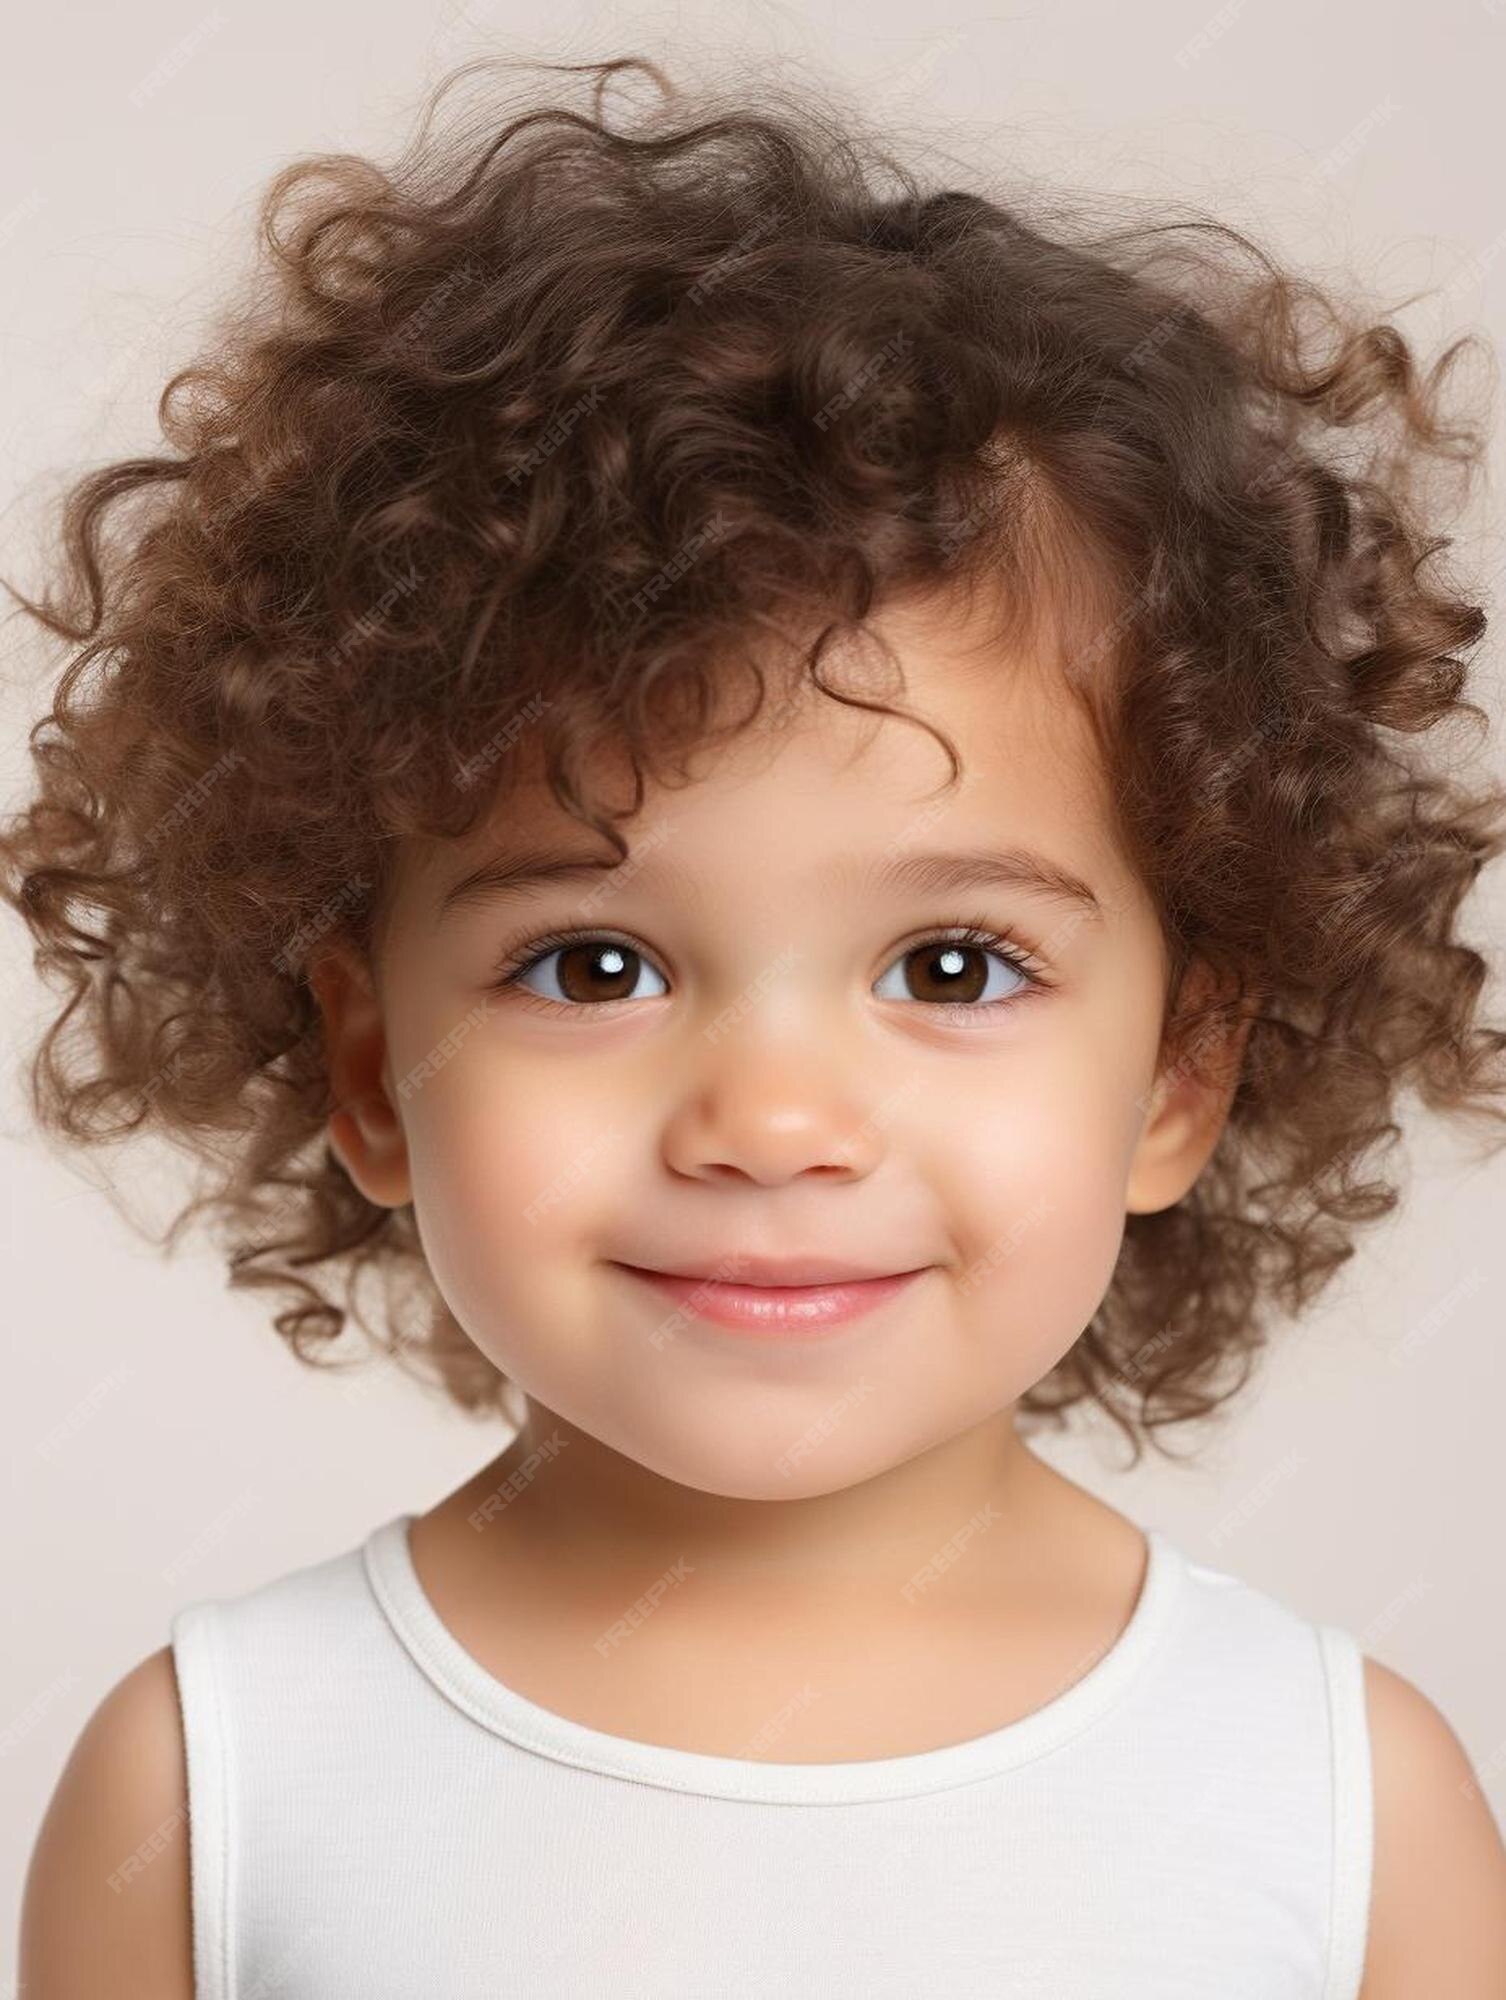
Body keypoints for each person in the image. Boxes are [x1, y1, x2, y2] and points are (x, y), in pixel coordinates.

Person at [12, 52, 1506, 1998]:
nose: (774, 1119)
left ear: (1184, 1072)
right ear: (374, 1070)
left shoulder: (1345, 1813)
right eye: (595, 966)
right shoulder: (208, 1794)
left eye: (952, 967)